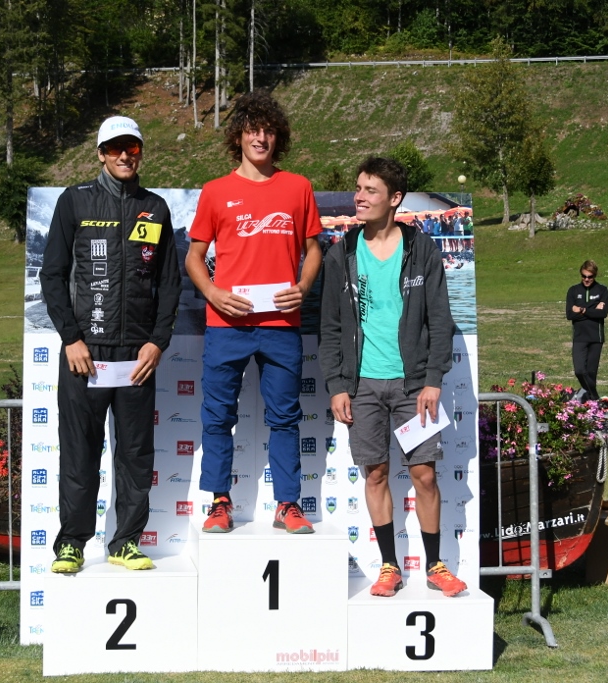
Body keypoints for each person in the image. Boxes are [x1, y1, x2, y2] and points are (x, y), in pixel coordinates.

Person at [40, 115, 181, 573]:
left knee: (136, 454)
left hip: (136, 357)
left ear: (140, 153)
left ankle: (125, 542)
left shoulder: (155, 208)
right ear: (100, 153)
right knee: (79, 452)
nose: (124, 155)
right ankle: (71, 543)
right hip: (85, 354)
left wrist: (157, 342)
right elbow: (53, 275)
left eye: (132, 148)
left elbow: (169, 282)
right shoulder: (75, 200)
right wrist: (71, 338)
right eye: (115, 148)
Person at [319, 156, 466, 598]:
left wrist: (434, 379)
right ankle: (389, 566)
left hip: (413, 385)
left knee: (424, 475)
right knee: (376, 474)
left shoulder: (422, 249)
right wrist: (337, 385)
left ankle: (436, 565)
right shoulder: (341, 253)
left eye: (370, 191)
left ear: (395, 198)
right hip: (362, 385)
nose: (359, 197)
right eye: (358, 188)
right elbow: (330, 327)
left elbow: (440, 321)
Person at [185, 90, 323, 535]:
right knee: (217, 418)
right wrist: (213, 293)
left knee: (285, 418)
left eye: (268, 131)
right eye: (252, 130)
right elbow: (194, 257)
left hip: (280, 324)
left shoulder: (298, 187)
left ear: (278, 137)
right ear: (238, 136)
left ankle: (288, 504)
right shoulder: (215, 191)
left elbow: (313, 249)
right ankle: (219, 503)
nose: (260, 138)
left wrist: (303, 287)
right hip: (226, 324)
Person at [565, 260, 608, 402]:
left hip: (596, 337)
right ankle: (594, 397)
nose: (586, 279)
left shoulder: (603, 290)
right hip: (579, 337)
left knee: (591, 372)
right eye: (584, 276)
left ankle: (591, 402)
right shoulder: (573, 290)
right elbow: (570, 315)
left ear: (594, 276)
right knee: (579, 370)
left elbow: (603, 313)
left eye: (590, 277)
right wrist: (592, 310)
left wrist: (582, 310)